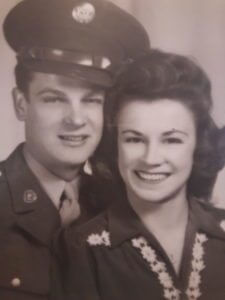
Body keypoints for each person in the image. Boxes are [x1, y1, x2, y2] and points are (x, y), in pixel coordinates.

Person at [0, 0, 150, 298]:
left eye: (92, 100)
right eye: (54, 98)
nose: (76, 119)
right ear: (21, 104)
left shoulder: (125, 204)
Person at [59, 49, 225, 300]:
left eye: (171, 140)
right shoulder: (83, 248)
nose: (150, 159)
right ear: (115, 146)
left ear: (198, 145)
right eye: (134, 139)